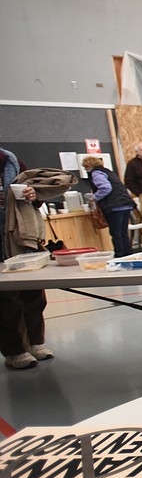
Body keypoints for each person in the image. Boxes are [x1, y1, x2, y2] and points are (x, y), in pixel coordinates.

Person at [1, 152, 53, 370]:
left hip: (20, 235)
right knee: (6, 298)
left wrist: (34, 195)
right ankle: (15, 350)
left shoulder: (11, 161)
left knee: (34, 291)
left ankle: (35, 342)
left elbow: (35, 192)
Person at [83, 156, 134, 258]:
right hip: (126, 203)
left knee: (116, 232)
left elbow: (106, 188)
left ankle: (119, 255)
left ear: (89, 165)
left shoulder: (96, 173)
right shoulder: (108, 171)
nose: (85, 169)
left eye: (85, 167)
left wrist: (94, 198)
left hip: (114, 206)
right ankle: (128, 253)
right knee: (123, 232)